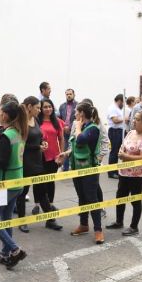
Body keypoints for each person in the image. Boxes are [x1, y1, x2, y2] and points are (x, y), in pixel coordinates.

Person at [0, 101, 29, 270]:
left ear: (5, 115)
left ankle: (15, 250)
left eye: (0, 111)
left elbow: (2, 162)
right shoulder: (18, 132)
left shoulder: (6, 136)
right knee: (6, 219)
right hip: (17, 181)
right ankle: (5, 254)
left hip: (6, 183)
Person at [57, 102, 105, 245]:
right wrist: (65, 154)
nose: (75, 115)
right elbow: (76, 146)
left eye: (77, 112)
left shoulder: (93, 128)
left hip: (89, 170)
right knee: (82, 197)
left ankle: (98, 230)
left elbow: (82, 139)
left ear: (82, 114)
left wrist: (77, 127)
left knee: (92, 199)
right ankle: (83, 224)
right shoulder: (82, 127)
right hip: (77, 168)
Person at [106, 110, 142, 235]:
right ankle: (119, 221)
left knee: (135, 199)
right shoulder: (130, 133)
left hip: (137, 175)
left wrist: (126, 157)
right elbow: (124, 147)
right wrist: (121, 153)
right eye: (134, 119)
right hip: (124, 172)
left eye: (138, 119)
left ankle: (134, 227)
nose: (134, 121)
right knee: (120, 197)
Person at [16, 96, 52, 233]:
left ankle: (50, 219)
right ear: (29, 107)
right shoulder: (19, 122)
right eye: (37, 107)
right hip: (25, 162)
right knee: (22, 192)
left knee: (42, 191)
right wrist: (37, 147)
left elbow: (38, 136)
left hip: (38, 161)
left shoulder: (35, 119)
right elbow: (20, 145)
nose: (39, 110)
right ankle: (22, 221)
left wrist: (42, 142)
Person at [38, 98, 64, 231]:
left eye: (50, 107)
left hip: (54, 158)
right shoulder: (37, 121)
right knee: (42, 186)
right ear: (40, 109)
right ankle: (49, 216)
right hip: (40, 158)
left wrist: (62, 154)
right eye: (45, 107)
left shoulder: (57, 121)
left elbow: (61, 138)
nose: (48, 109)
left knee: (50, 183)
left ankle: (49, 205)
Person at [106, 94, 126, 179]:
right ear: (120, 101)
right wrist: (125, 119)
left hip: (120, 131)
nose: (124, 104)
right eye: (123, 102)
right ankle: (111, 172)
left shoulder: (119, 109)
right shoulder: (112, 108)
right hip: (114, 131)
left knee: (118, 151)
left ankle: (115, 169)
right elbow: (115, 120)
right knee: (114, 151)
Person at [58, 89, 77, 172]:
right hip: (64, 131)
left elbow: (78, 118)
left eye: (70, 94)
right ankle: (65, 168)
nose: (69, 95)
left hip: (74, 130)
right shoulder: (62, 106)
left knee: (74, 148)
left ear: (74, 95)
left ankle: (74, 167)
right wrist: (63, 127)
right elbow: (59, 118)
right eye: (67, 94)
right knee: (65, 149)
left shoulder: (78, 105)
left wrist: (70, 127)